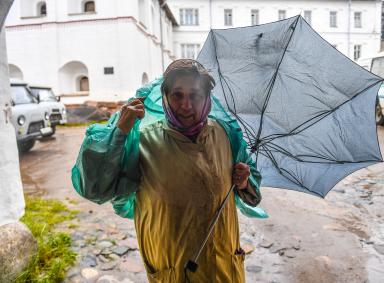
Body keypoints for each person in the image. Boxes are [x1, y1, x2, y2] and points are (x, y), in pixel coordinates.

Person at [72, 59, 263, 282]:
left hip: (224, 270)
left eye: (196, 95)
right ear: (164, 96)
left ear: (207, 98)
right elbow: (94, 189)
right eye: (177, 95)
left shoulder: (225, 135)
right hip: (173, 271)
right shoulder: (143, 142)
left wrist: (243, 183)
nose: (186, 105)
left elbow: (253, 196)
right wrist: (119, 134)